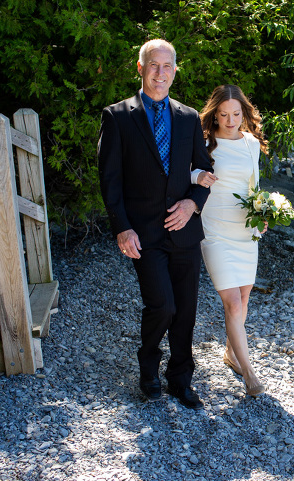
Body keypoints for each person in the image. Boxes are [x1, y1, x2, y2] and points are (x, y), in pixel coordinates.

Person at [98, 39, 215, 410]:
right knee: (162, 305)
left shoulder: (188, 117)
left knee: (186, 310)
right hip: (143, 234)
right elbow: (110, 179)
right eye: (153, 65)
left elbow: (204, 170)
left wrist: (193, 204)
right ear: (140, 68)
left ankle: (180, 380)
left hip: (184, 232)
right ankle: (148, 366)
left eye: (167, 67)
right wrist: (121, 227)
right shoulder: (117, 116)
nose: (160, 73)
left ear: (175, 71)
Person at [193, 84, 268, 396]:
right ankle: (249, 373)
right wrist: (196, 177)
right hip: (214, 227)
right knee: (232, 302)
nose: (230, 120)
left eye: (236, 114)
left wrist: (263, 213)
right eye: (223, 114)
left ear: (244, 113)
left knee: (245, 298)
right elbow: (182, 172)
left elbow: (254, 186)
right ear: (215, 114)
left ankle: (231, 353)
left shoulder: (251, 143)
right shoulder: (205, 141)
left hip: (244, 229)